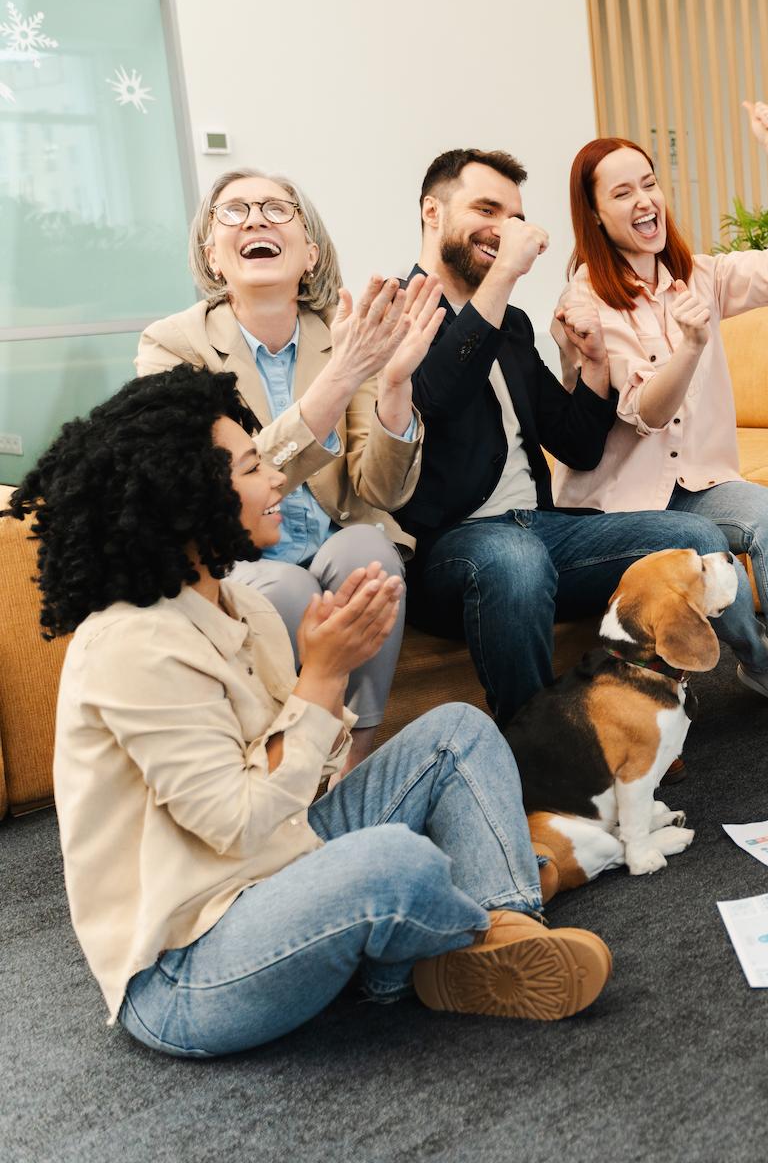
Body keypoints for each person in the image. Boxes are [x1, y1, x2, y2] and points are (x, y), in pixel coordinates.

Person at [8, 368, 613, 1057]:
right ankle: (482, 913)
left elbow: (303, 783)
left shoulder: (248, 609)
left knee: (457, 731)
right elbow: (236, 824)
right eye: (250, 466)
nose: (276, 481)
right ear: (186, 497)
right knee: (395, 861)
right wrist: (323, 675)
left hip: (281, 868)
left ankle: (499, 934)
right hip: (188, 972)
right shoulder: (131, 646)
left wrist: (332, 672)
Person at [393, 147, 763, 726]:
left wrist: (591, 367)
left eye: (514, 218)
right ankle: (542, 755)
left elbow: (577, 445)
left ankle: (660, 710)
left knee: (692, 532)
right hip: (454, 547)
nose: (504, 230)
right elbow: (436, 397)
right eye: (486, 210)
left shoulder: (510, 325)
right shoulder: (398, 309)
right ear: (432, 213)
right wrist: (507, 274)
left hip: (540, 530)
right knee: (514, 561)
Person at [550, 102, 768, 736]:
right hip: (619, 506)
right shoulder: (586, 300)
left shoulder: (700, 277)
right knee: (709, 545)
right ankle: (758, 660)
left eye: (650, 183)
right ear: (597, 215)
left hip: (696, 487)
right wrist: (689, 347)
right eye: (623, 191)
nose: (644, 200)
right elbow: (644, 412)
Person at [138, 170, 442, 773]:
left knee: (369, 551)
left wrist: (396, 385)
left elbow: (382, 490)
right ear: (212, 256)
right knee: (290, 587)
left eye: (277, 209)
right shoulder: (173, 346)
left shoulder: (342, 333)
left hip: (333, 542)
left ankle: (356, 757)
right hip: (238, 557)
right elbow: (214, 486)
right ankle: (296, 758)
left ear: (310, 253)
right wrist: (338, 382)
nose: (254, 220)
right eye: (234, 212)